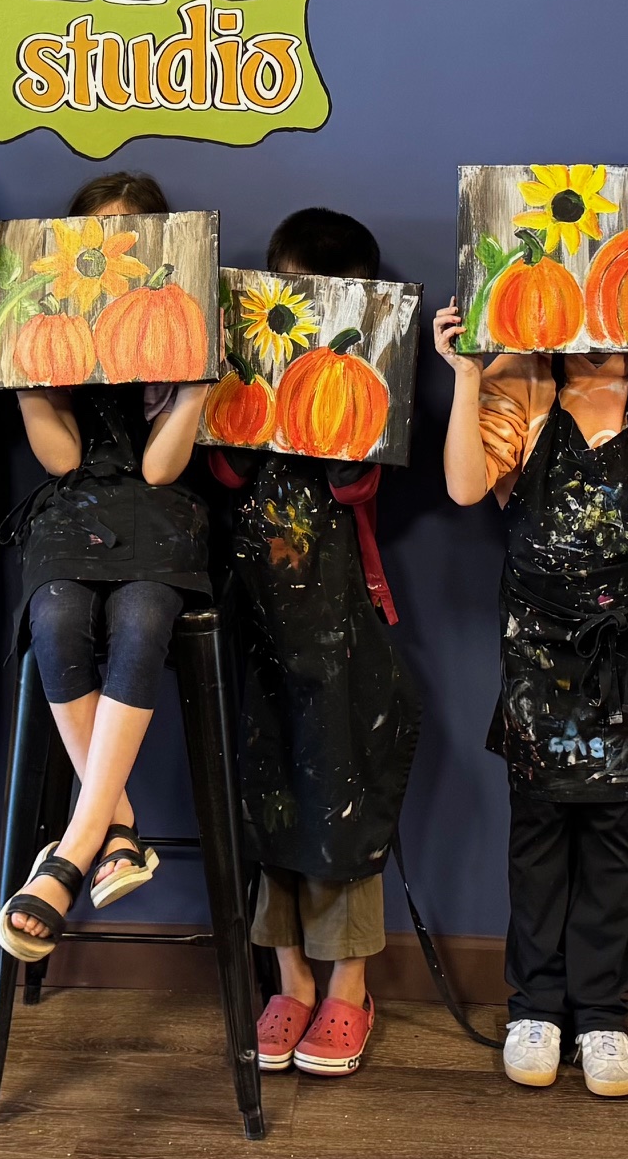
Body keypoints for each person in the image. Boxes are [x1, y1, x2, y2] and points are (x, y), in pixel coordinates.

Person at [434, 287, 628, 1099]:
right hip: (537, 656)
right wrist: (466, 375)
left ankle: (602, 1015)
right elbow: (464, 487)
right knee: (536, 838)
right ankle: (535, 1007)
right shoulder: (525, 379)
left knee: (611, 841)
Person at [203, 209, 420, 1079]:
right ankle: (289, 977)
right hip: (259, 623)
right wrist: (243, 388)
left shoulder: (356, 389)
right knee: (269, 798)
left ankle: (348, 985)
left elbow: (360, 482)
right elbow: (224, 470)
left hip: (340, 630)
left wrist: (333, 419)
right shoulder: (249, 380)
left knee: (341, 797)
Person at [0, 172, 214, 965]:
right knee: (55, 612)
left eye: (132, 237)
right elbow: (61, 459)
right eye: (97, 238)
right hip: (73, 507)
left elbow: (159, 472)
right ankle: (115, 826)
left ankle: (73, 850)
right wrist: (22, 371)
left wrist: (193, 390)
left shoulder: (176, 315)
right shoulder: (55, 319)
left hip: (161, 509)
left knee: (145, 612)